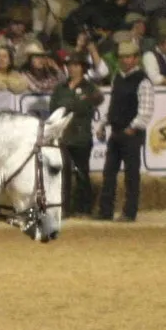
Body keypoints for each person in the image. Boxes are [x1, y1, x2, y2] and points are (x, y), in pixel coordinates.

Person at [96, 41, 153, 222]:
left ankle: (129, 211)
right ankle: (105, 211)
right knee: (109, 172)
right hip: (117, 130)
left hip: (131, 133)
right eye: (122, 57)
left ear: (136, 59)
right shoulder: (117, 77)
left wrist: (132, 127)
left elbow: (146, 111)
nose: (125, 60)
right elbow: (113, 105)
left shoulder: (143, 80)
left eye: (128, 57)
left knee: (131, 174)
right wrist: (103, 123)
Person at [50, 55, 103, 220]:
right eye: (70, 65)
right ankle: (63, 208)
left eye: (75, 65)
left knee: (82, 173)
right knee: (62, 173)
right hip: (63, 136)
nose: (72, 68)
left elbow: (96, 100)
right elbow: (53, 108)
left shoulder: (89, 87)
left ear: (82, 68)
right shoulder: (60, 88)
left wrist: (69, 107)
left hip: (81, 135)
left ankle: (84, 207)